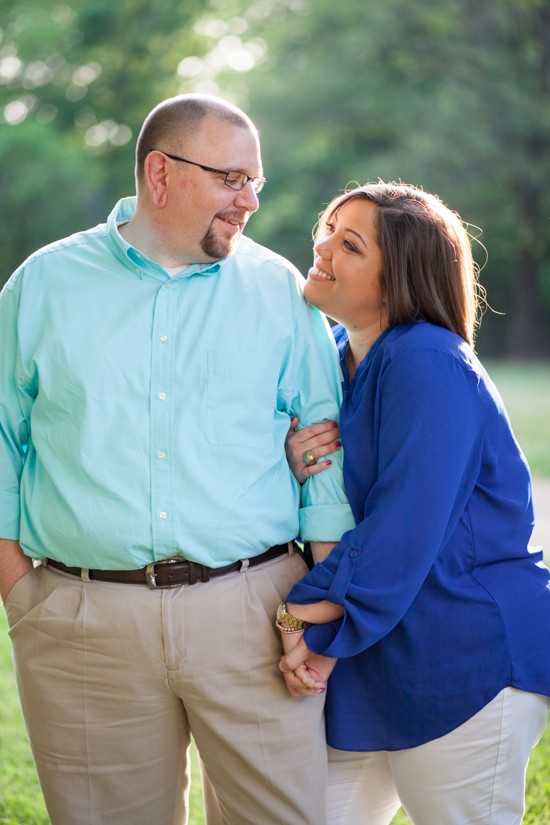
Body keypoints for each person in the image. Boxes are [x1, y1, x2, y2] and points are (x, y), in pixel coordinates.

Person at [0, 94, 356, 825]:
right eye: (232, 178)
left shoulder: (280, 292)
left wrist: (324, 610)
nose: (250, 200)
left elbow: (325, 459)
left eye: (257, 181)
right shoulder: (42, 284)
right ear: (160, 173)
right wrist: (21, 590)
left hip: (258, 614)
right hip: (82, 623)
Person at [279, 182, 550, 825]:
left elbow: (405, 525)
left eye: (350, 244)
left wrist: (304, 621)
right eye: (327, 229)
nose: (322, 248)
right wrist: (294, 464)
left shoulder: (427, 358)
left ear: (400, 273)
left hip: (460, 653)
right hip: (373, 655)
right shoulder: (338, 361)